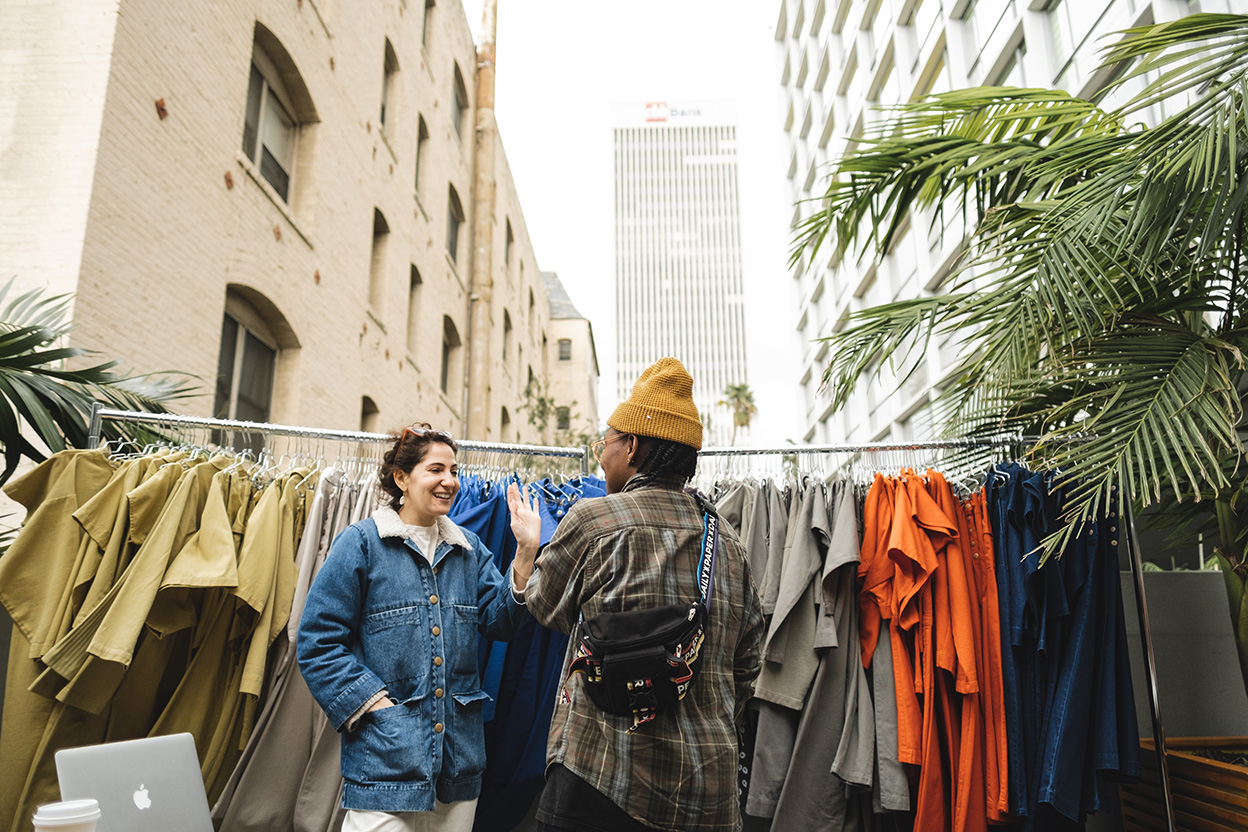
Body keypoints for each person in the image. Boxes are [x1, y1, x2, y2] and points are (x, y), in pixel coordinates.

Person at [507, 357, 764, 832]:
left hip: (602, 777)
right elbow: (747, 667)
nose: (600, 457)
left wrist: (528, 549)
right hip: (707, 791)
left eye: (604, 444)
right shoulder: (728, 541)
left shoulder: (594, 521)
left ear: (633, 446)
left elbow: (543, 604)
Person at [297, 424, 536, 832]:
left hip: (459, 764)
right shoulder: (362, 544)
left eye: (455, 471)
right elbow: (317, 642)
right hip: (384, 763)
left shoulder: (469, 549)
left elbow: (501, 623)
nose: (450, 481)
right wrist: (375, 705)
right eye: (436, 469)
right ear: (402, 478)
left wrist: (526, 553)